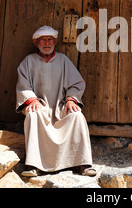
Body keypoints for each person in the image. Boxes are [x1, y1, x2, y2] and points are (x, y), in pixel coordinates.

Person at [16, 25, 95, 177]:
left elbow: (76, 83)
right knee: (33, 115)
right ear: (36, 43)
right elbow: (23, 85)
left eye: (50, 40)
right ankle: (33, 165)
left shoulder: (63, 60)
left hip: (60, 106)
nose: (47, 43)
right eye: (43, 40)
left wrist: (71, 100)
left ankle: (83, 164)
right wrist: (31, 100)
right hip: (39, 106)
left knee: (77, 115)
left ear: (55, 41)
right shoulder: (28, 61)